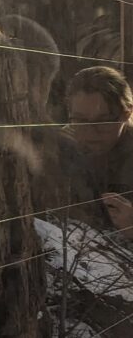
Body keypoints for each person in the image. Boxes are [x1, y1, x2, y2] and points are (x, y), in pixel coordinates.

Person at [65, 66, 133, 235]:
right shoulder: (62, 145)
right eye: (80, 120)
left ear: (126, 113)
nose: (90, 132)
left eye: (102, 121)